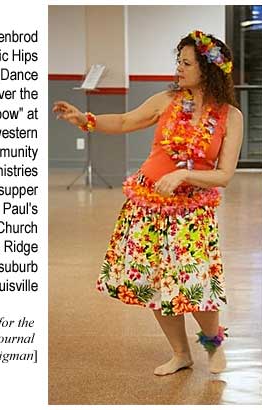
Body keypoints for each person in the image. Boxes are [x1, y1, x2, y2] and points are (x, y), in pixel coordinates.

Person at [52, 30, 243, 376]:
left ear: (208, 69)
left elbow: (225, 175)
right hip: (148, 205)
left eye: (186, 63)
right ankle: (180, 353)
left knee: (193, 281)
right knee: (157, 282)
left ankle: (213, 344)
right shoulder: (166, 100)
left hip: (191, 212)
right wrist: (86, 120)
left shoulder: (230, 117)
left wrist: (185, 176)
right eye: (178, 61)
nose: (178, 68)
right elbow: (126, 121)